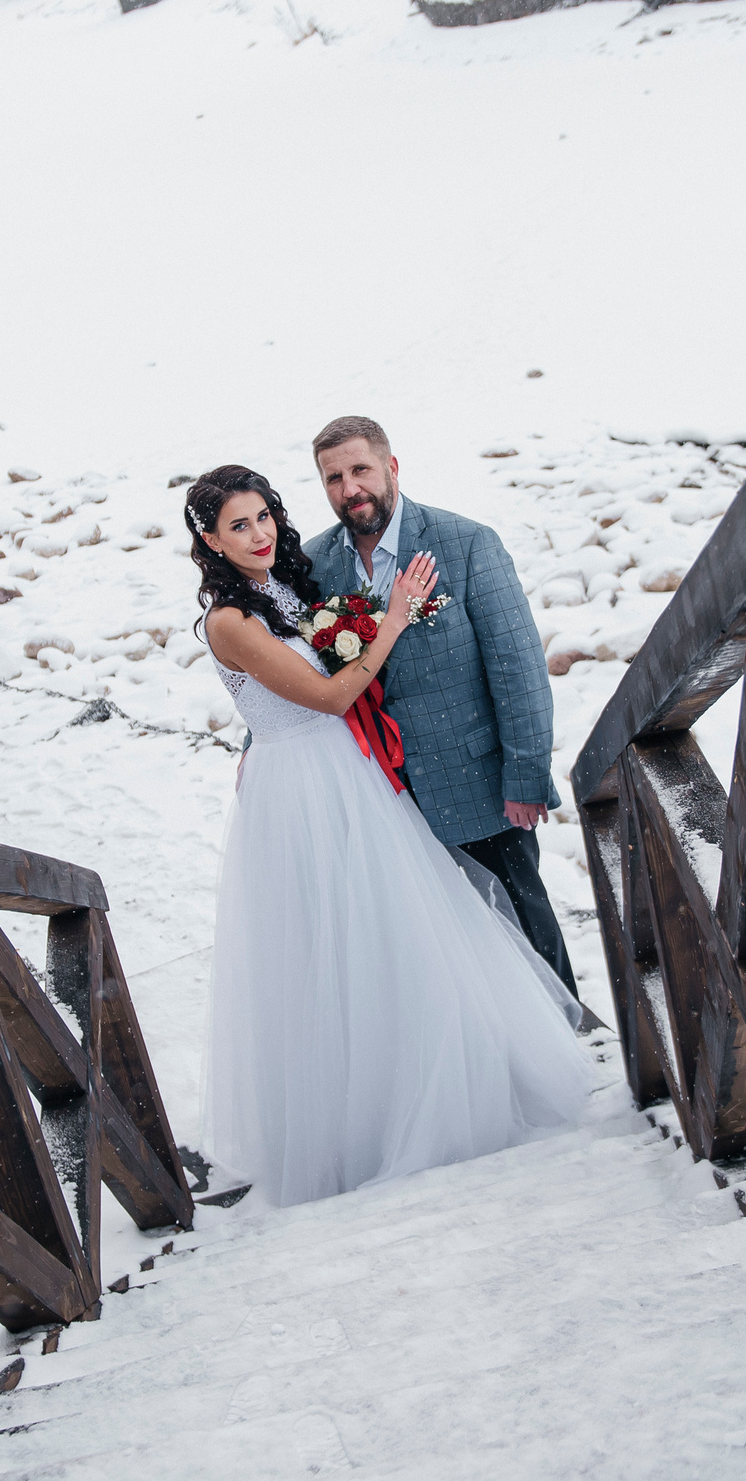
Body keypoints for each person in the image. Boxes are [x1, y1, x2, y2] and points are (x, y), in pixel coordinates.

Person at [190, 464, 591, 1205]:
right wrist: (397, 615)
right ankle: (359, 1124)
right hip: (304, 793)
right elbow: (330, 692)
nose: (258, 533)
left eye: (263, 516)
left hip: (351, 774)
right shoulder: (228, 620)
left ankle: (429, 1085)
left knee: (397, 936)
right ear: (210, 540)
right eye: (237, 526)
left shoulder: (282, 586)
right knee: (336, 953)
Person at [304, 415, 579, 992]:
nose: (349, 489)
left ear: (391, 468)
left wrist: (525, 774)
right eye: (333, 478)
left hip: (475, 782)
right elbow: (299, 670)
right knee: (427, 947)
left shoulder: (466, 543)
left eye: (360, 470)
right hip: (380, 795)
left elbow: (519, 668)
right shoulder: (316, 565)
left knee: (522, 923)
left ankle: (572, 1047)